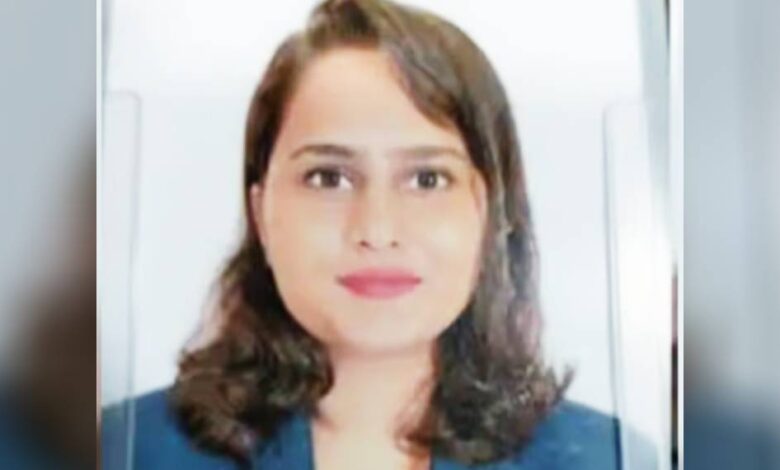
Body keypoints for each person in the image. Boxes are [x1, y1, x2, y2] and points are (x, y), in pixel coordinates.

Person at [102, 0, 637, 468]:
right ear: (261, 212)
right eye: (328, 177)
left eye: (427, 179)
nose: (377, 230)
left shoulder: (612, 460)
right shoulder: (121, 451)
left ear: (491, 212)